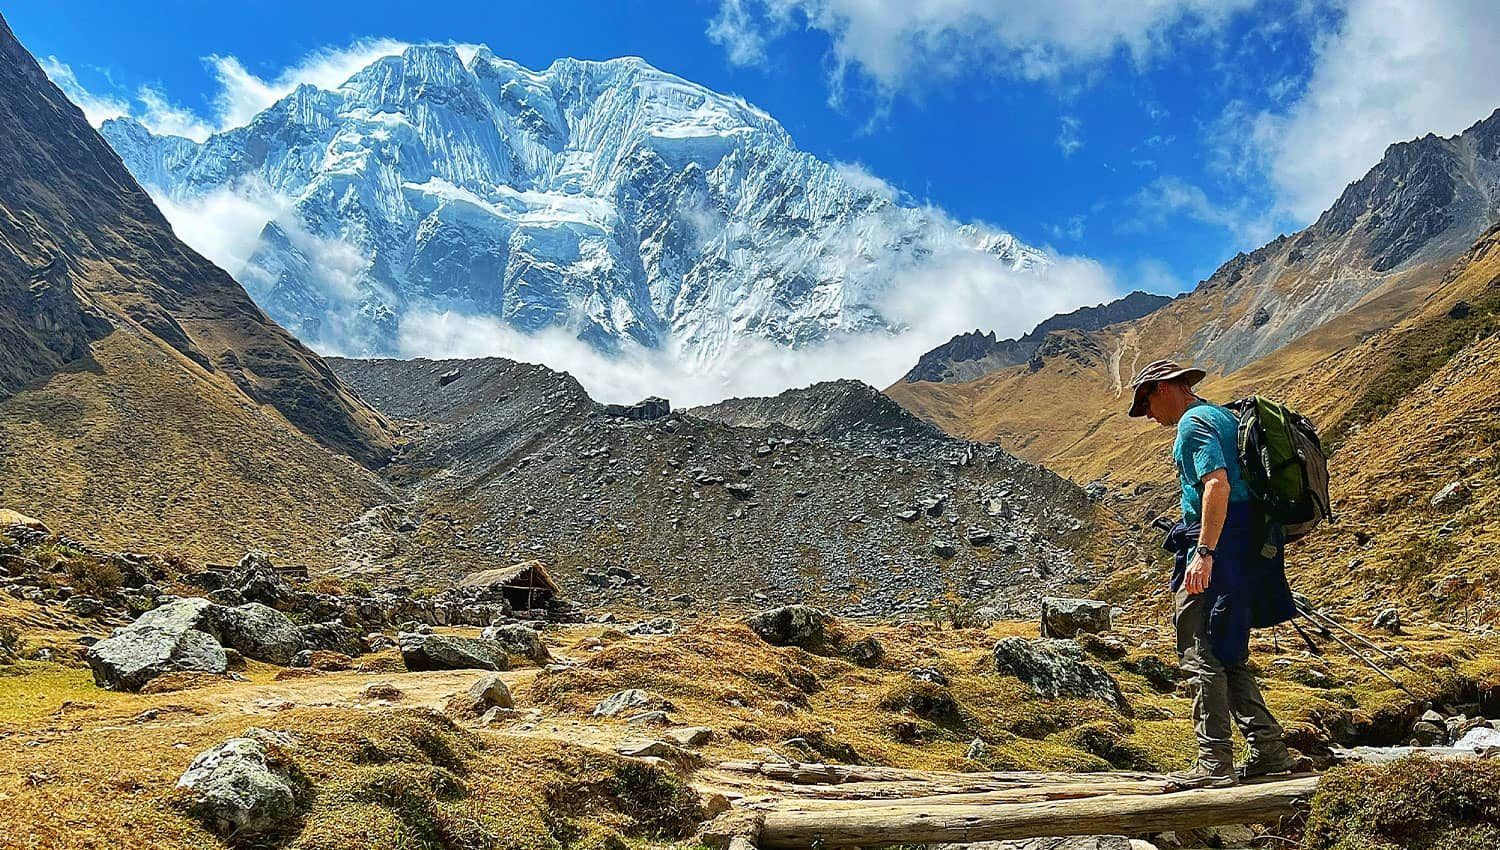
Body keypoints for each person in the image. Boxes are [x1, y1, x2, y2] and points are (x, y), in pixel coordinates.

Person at [1128, 359, 1296, 788]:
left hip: (1218, 549)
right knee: (1228, 651)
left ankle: (1213, 763)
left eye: (1145, 402)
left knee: (1201, 650)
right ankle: (1269, 751)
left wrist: (1203, 552)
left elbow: (1216, 485)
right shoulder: (1226, 416)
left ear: (1165, 387)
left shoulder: (1192, 424)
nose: (1148, 414)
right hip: (1245, 546)